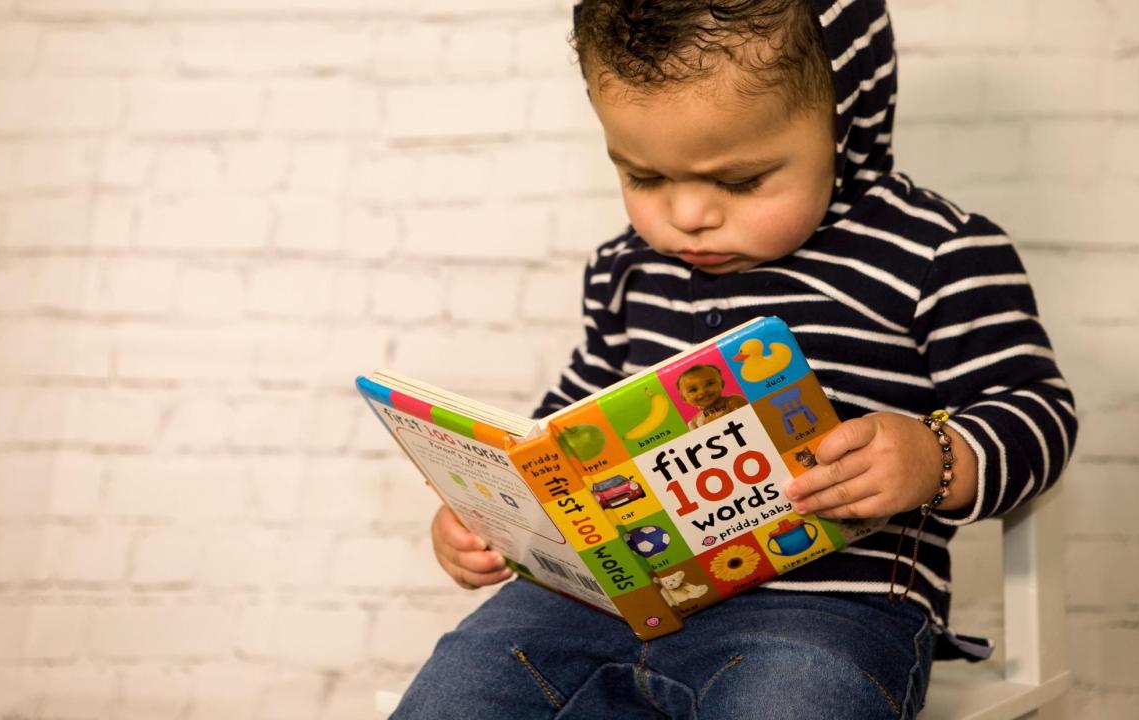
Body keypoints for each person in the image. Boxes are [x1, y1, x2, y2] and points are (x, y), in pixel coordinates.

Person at [401, 1, 1078, 718]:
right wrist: (498, 513)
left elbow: (1037, 412)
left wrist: (937, 456)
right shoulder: (627, 271)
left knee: (796, 702)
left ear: (845, 127)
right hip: (594, 607)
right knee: (461, 689)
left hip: (822, 612)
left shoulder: (938, 255)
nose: (687, 215)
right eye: (644, 176)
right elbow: (563, 430)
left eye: (741, 181)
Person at [676, 363, 748, 429]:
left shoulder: (732, 401)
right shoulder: (694, 422)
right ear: (684, 399)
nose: (703, 391)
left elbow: (750, 418)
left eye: (709, 384)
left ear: (722, 384)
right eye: (693, 390)